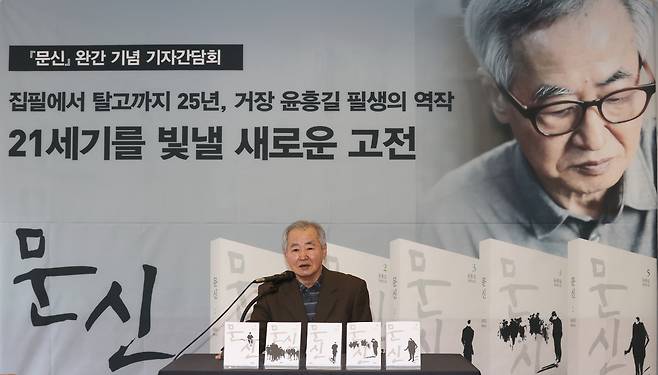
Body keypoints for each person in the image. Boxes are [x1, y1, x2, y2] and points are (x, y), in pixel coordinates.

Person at [419, 0, 656, 258]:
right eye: (559, 109)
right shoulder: (453, 219)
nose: (594, 139)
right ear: (498, 97)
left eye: (617, 97)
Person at [249, 220, 373, 354]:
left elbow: (363, 344)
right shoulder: (271, 291)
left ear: (324, 251)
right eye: (295, 250)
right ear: (286, 255)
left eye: (310, 248)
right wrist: (231, 351)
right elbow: (256, 336)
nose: (303, 256)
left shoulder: (352, 288)